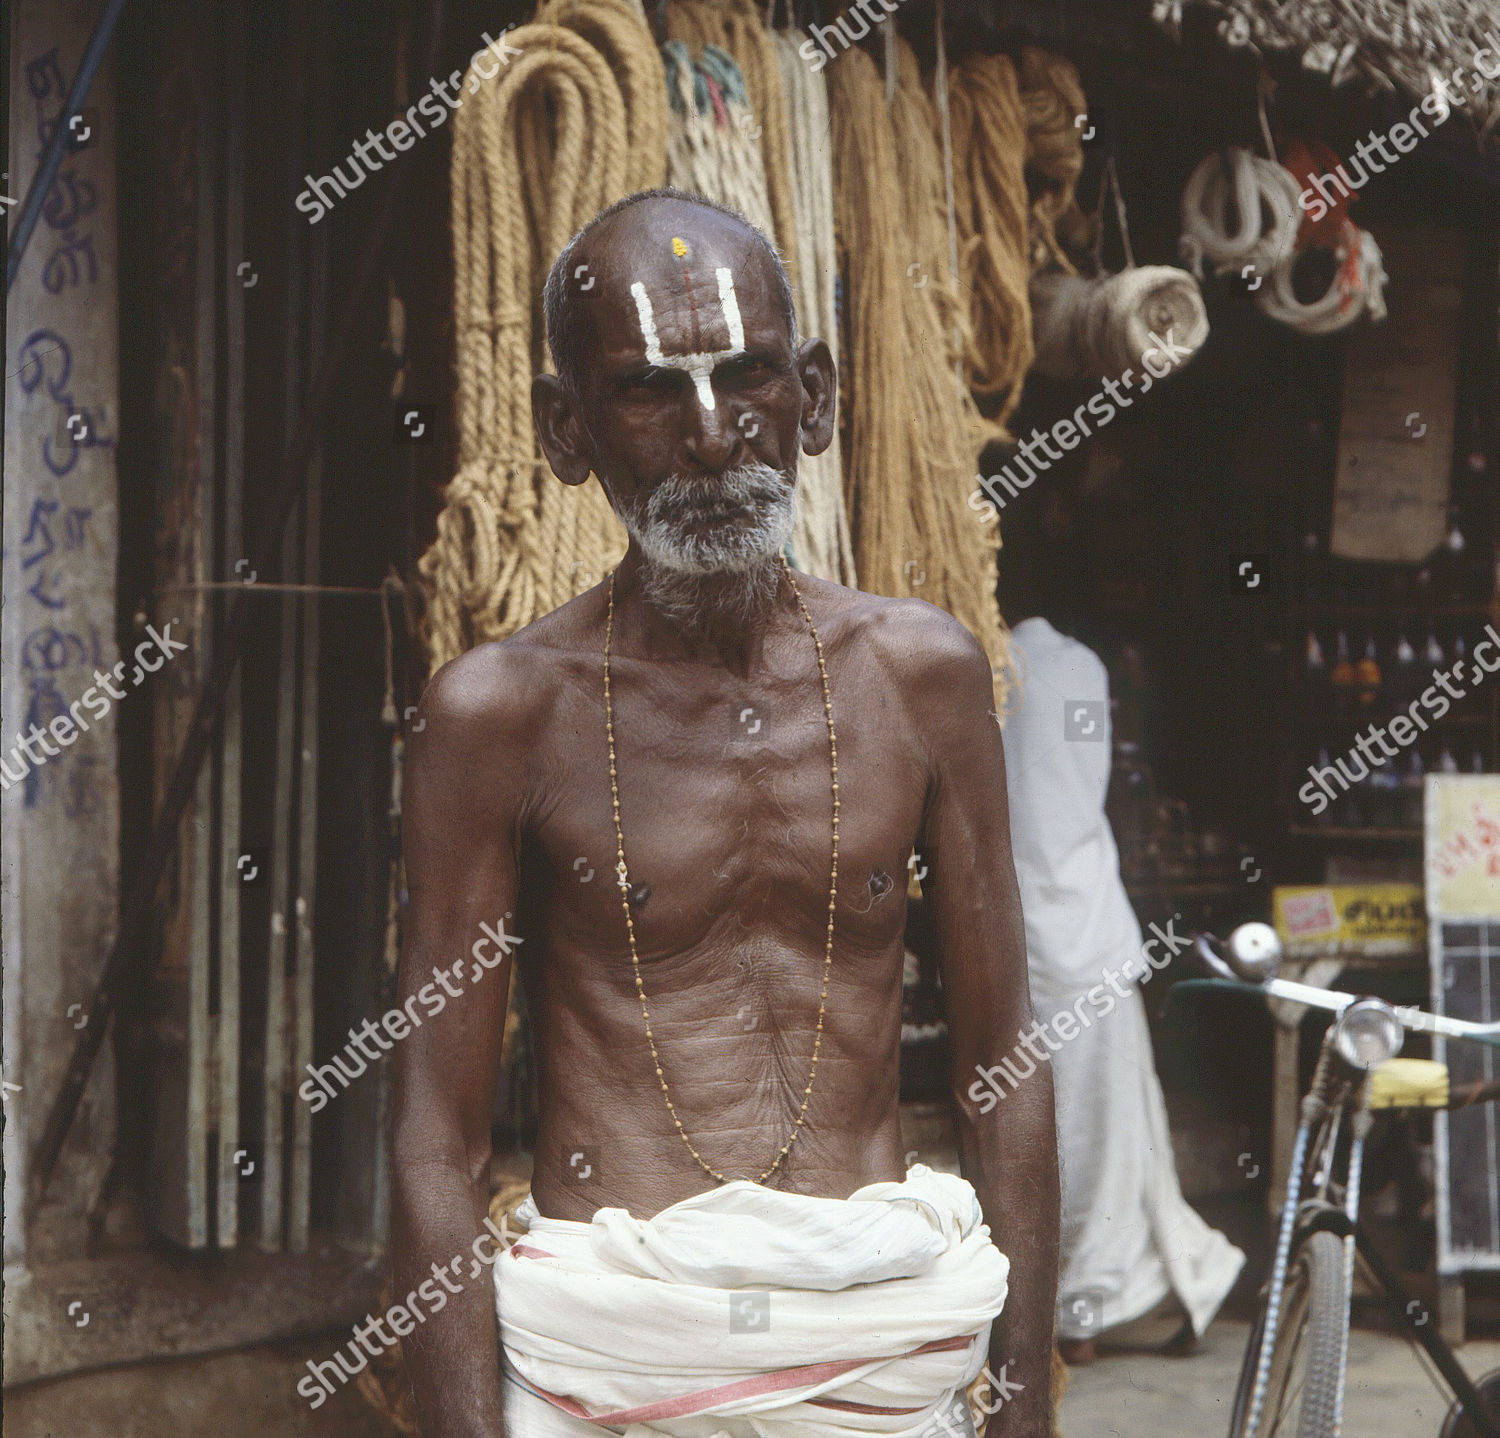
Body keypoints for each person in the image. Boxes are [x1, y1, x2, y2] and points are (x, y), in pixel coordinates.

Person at [392, 188, 1058, 1438]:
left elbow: (1004, 1065)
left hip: (878, 1333)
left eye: (748, 376)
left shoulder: (924, 676)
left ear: (814, 392)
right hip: (613, 1346)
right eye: (649, 391)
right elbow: (438, 1135)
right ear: (564, 427)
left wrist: (1025, 1403)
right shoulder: (496, 716)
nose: (712, 436)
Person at [991, 469, 1243, 1364]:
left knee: (1049, 1128)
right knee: (1104, 1127)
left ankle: (1095, 1299)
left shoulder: (972, 670)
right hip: (1088, 927)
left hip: (1020, 934)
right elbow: (1093, 791)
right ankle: (1096, 1301)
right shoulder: (1081, 669)